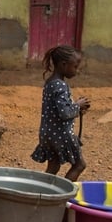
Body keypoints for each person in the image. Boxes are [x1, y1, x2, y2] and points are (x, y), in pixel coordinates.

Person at [31, 45, 90, 182]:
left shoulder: (50, 83)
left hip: (48, 134)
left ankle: (42, 196)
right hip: (61, 135)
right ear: (63, 65)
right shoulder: (60, 85)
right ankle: (63, 198)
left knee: (53, 167)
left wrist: (77, 108)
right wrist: (78, 105)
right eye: (75, 66)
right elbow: (65, 113)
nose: (77, 70)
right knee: (79, 165)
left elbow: (58, 108)